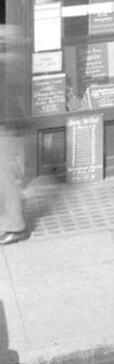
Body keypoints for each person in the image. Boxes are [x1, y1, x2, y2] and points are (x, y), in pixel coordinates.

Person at [0, 16, 30, 244]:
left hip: (6, 128)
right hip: (7, 126)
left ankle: (16, 227)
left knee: (5, 179)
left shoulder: (10, 64)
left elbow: (8, 101)